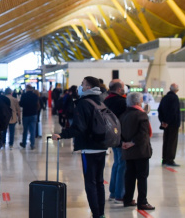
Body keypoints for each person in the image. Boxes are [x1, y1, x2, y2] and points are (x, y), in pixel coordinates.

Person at [52, 76, 107, 218]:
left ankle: (95, 213)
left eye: (82, 84)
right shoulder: (100, 101)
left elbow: (79, 128)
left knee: (90, 182)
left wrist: (61, 134)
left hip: (89, 148)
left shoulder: (83, 103)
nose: (80, 87)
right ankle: (101, 213)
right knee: (99, 181)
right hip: (102, 146)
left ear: (88, 87)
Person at [120, 92, 155, 210]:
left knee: (129, 176)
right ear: (137, 102)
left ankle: (128, 199)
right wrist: (132, 142)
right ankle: (142, 202)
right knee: (142, 176)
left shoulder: (123, 115)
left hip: (127, 151)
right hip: (140, 151)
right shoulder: (141, 115)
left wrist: (124, 143)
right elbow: (143, 134)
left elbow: (119, 132)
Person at [103, 79, 127, 203]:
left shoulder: (105, 101)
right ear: (119, 89)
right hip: (121, 137)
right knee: (122, 165)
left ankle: (112, 192)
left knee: (116, 163)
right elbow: (125, 121)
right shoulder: (122, 102)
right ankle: (120, 194)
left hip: (110, 136)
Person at [158, 83, 181, 167]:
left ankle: (164, 159)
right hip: (173, 124)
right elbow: (173, 111)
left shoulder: (165, 97)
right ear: (177, 90)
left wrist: (163, 121)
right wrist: (168, 121)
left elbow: (159, 110)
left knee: (166, 141)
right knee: (172, 142)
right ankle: (170, 160)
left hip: (165, 124)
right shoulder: (174, 98)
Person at [19, 85, 39, 150]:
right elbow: (37, 104)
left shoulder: (24, 95)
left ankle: (24, 143)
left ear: (27, 88)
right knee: (32, 130)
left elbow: (21, 104)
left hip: (26, 114)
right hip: (33, 114)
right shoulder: (35, 96)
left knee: (25, 130)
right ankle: (32, 144)